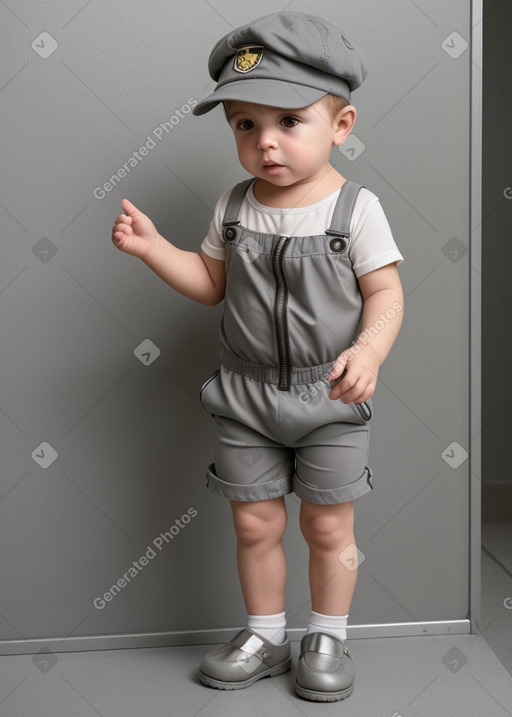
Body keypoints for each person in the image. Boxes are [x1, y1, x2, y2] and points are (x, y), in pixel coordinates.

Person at [112, 11, 404, 703]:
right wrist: (155, 250)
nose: (265, 142)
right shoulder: (235, 205)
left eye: (288, 121)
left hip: (328, 395)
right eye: (246, 124)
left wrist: (369, 350)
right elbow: (212, 285)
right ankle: (266, 633)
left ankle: (326, 633)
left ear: (341, 124)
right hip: (243, 397)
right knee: (254, 521)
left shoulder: (356, 210)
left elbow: (387, 292)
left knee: (328, 524)